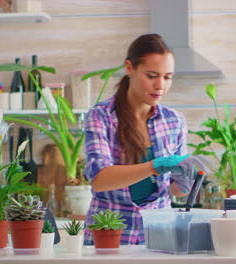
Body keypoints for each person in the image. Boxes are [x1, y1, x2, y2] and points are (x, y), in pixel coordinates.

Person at [83, 33, 207, 245]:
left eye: (167, 77)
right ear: (129, 68)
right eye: (151, 76)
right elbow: (100, 179)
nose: (160, 86)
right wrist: (154, 166)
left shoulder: (174, 121)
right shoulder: (102, 116)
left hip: (159, 238)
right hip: (109, 237)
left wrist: (186, 179)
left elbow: (173, 190)